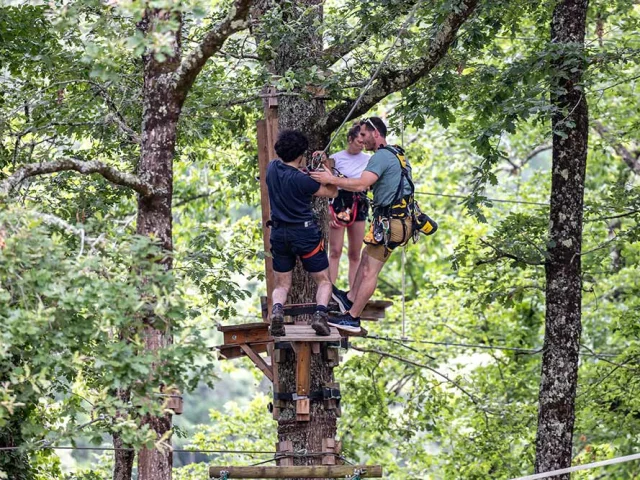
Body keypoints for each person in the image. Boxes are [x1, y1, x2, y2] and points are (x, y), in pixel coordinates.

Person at [310, 117, 414, 332]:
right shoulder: (396, 153)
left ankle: (353, 318)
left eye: (365, 135)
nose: (362, 140)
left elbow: (361, 184)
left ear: (376, 133)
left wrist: (331, 180)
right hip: (395, 220)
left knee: (369, 271)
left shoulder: (381, 156)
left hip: (392, 222)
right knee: (365, 258)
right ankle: (349, 299)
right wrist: (325, 162)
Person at [266, 130, 338, 337]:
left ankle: (277, 310)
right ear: (300, 155)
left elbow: (292, 171)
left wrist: (307, 169)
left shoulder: (272, 168)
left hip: (279, 233)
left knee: (282, 283)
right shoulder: (303, 181)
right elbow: (332, 191)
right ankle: (319, 314)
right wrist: (326, 168)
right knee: (323, 280)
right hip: (304, 234)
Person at [328, 124, 370, 289]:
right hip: (339, 201)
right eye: (359, 141)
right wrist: (328, 211)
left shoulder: (368, 159)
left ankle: (353, 291)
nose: (361, 144)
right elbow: (329, 185)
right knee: (335, 250)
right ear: (350, 139)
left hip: (358, 200)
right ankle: (330, 290)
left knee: (355, 253)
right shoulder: (336, 158)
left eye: (363, 142)